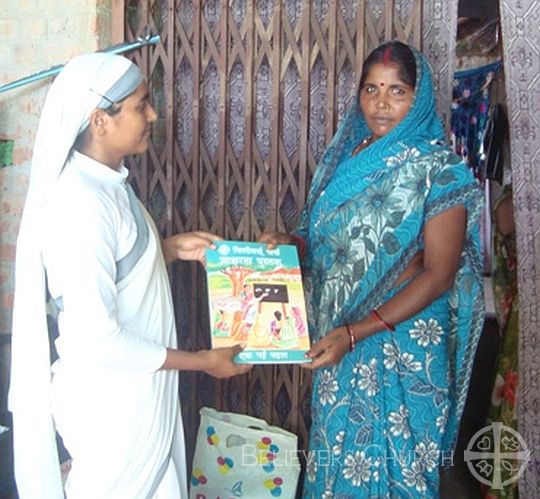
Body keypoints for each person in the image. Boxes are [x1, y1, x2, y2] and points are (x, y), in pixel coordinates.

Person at [9, 53, 251, 499]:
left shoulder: (107, 184)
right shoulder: (80, 203)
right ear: (100, 120)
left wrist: (169, 251)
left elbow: (111, 272)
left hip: (136, 401)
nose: (153, 114)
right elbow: (95, 338)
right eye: (142, 105)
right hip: (111, 409)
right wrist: (202, 361)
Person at [260, 41, 484, 497]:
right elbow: (318, 234)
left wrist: (357, 332)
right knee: (337, 457)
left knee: (398, 467)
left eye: (397, 91)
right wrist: (291, 244)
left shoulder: (440, 171)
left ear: (418, 98)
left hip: (401, 343)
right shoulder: (346, 159)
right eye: (371, 89)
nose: (381, 103)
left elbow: (438, 274)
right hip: (338, 341)